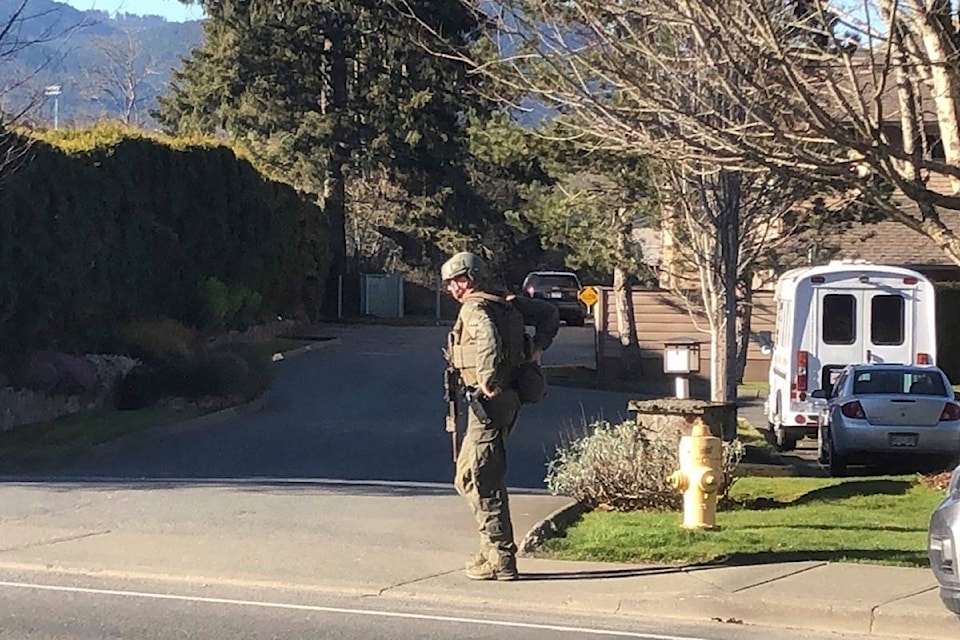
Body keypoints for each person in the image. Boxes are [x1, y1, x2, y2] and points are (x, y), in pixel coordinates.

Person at [440, 251, 559, 581]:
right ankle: (490, 548)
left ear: (467, 279)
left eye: (454, 282)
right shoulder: (504, 302)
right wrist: (537, 348)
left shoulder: (476, 307)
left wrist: (487, 379)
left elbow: (488, 339)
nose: (451, 289)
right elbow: (549, 313)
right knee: (467, 476)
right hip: (504, 400)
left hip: (489, 402)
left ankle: (502, 557)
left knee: (483, 476)